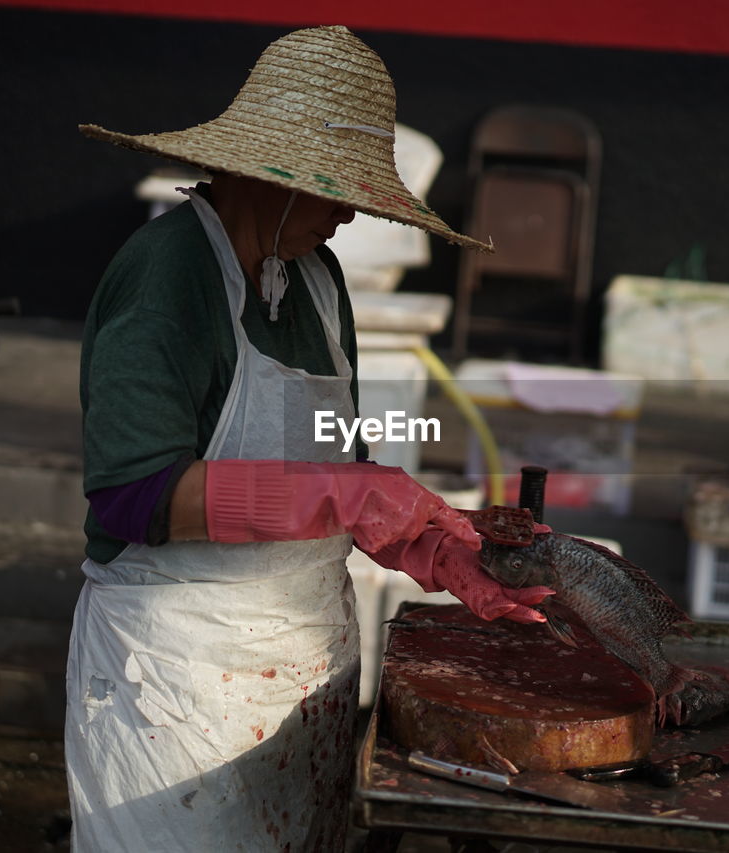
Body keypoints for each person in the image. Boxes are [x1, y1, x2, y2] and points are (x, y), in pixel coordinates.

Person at [67, 26, 553, 852]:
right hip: (178, 687)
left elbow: (324, 466)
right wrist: (349, 493)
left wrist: (434, 549)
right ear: (270, 174)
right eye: (337, 190)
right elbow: (132, 492)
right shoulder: (168, 275)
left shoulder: (319, 286)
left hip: (307, 678)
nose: (353, 211)